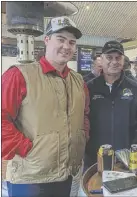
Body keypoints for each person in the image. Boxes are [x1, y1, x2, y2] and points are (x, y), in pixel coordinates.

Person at [1, 16, 89, 197]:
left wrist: (82, 136)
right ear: (47, 40)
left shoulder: (79, 81)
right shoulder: (19, 75)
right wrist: (27, 148)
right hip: (31, 178)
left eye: (72, 43)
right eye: (61, 39)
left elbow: (84, 114)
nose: (67, 46)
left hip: (66, 173)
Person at [85, 41, 137, 168]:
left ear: (123, 60)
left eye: (118, 58)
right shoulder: (89, 88)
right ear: (101, 60)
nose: (114, 62)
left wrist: (134, 147)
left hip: (126, 159)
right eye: (109, 57)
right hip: (95, 158)